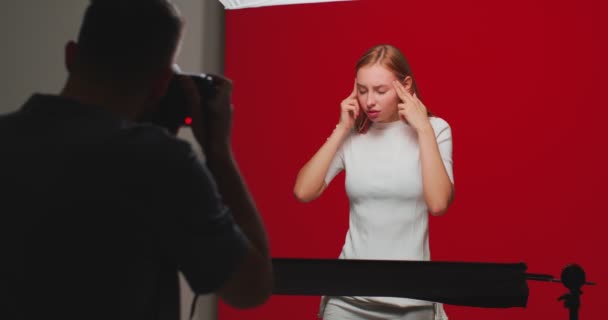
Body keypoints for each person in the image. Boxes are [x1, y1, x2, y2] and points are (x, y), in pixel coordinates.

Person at [0, 1, 272, 319]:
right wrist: (219, 151)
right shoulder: (160, 163)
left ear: (71, 56)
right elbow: (251, 286)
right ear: (160, 84)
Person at [293, 44, 454, 320]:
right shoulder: (353, 135)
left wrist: (423, 128)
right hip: (348, 296)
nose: (369, 101)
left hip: (411, 299)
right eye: (362, 89)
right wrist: (342, 128)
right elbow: (303, 191)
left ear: (405, 85)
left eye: (381, 91)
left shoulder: (435, 130)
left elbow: (438, 203)